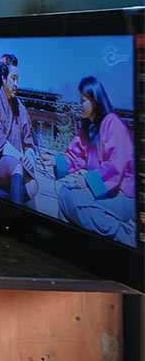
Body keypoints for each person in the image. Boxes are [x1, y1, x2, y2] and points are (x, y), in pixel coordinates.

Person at [47, 76, 136, 245]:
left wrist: (88, 181)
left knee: (74, 201)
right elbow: (74, 156)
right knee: (65, 194)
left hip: (123, 194)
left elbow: (115, 167)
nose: (81, 105)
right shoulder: (88, 128)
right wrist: (53, 161)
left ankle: (125, 236)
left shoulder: (114, 123)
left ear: (95, 100)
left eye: (84, 100)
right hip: (105, 189)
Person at [0, 54, 40, 204]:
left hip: (19, 162)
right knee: (17, 166)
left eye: (18, 79)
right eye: (13, 78)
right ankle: (16, 217)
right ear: (4, 78)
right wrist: (21, 158)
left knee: (34, 186)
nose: (16, 84)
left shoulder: (20, 108)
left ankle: (4, 196)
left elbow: (29, 141)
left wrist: (29, 158)